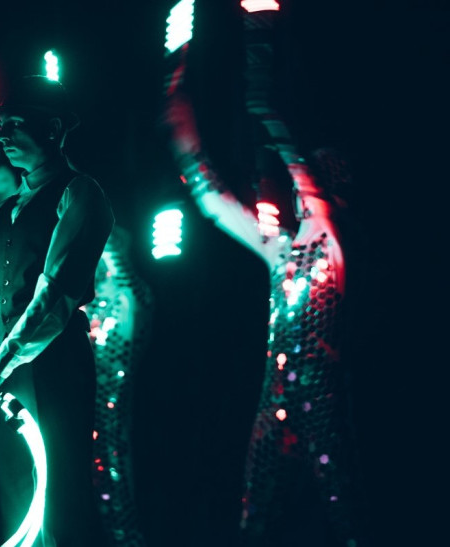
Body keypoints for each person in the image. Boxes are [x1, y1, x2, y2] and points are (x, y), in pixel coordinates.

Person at [161, 6, 366, 547]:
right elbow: (210, 198)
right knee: (254, 521)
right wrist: (178, 114)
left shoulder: (333, 244)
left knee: (348, 517)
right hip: (274, 403)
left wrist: (263, 95)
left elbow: (302, 167)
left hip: (323, 402)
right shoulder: (281, 253)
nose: (300, 187)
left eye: (315, 179)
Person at [0, 74, 114, 547]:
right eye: (1, 126)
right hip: (2, 373)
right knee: (17, 502)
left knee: (60, 504)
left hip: (55, 365)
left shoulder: (80, 193)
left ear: (51, 129)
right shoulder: (2, 213)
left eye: (15, 124)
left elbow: (55, 296)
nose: (4, 135)